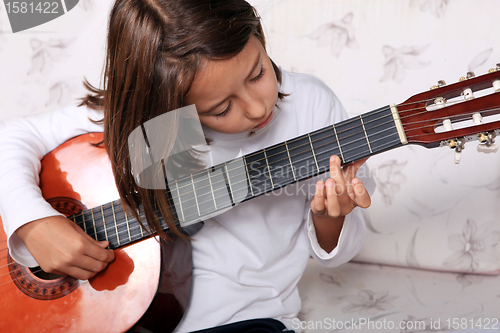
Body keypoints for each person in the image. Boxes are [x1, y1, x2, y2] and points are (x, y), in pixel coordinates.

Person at [0, 0, 371, 332]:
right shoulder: (153, 125)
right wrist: (32, 223)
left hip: (246, 318)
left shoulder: (311, 108)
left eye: (258, 73)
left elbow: (340, 253)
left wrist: (331, 219)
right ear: (166, 105)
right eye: (221, 108)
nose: (258, 107)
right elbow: (12, 137)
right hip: (127, 314)